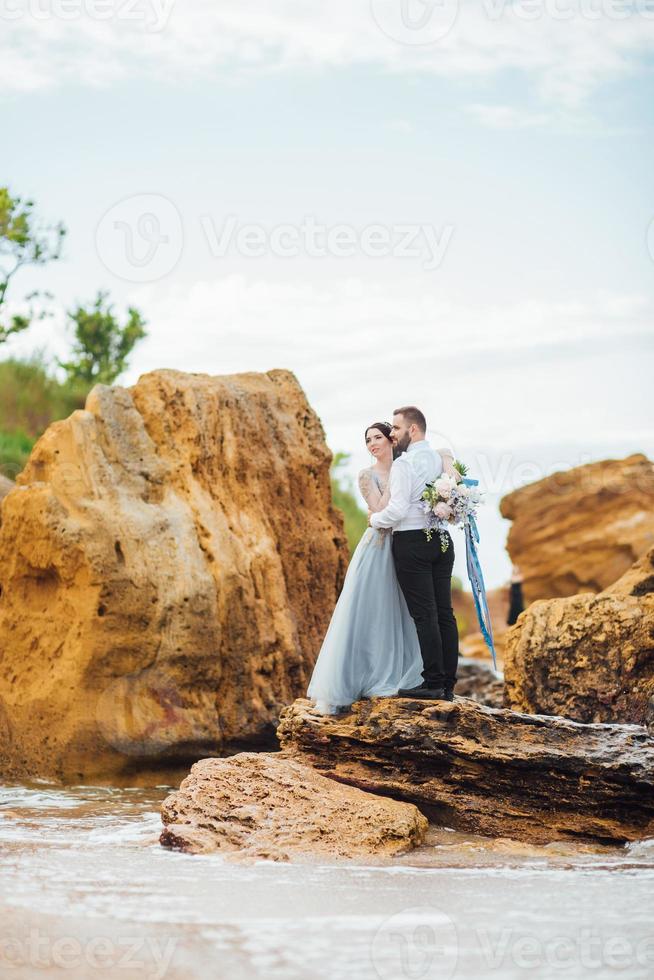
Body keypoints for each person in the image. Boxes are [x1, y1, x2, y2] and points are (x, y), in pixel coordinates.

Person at [307, 422, 424, 714]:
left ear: (391, 440)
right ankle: (359, 677)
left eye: (377, 438)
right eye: (368, 440)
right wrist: (398, 481)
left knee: (400, 611)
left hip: (404, 545)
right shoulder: (366, 475)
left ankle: (401, 673)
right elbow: (381, 510)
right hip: (377, 547)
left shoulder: (406, 468)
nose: (372, 444)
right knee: (369, 609)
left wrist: (401, 474)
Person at [369, 406, 459, 700]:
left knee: (425, 615)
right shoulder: (440, 459)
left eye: (395, 428)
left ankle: (432, 682)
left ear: (413, 430)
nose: (392, 434)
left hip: (412, 541)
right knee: (445, 613)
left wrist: (374, 520)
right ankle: (447, 684)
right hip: (442, 541)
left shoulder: (404, 464)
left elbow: (395, 509)